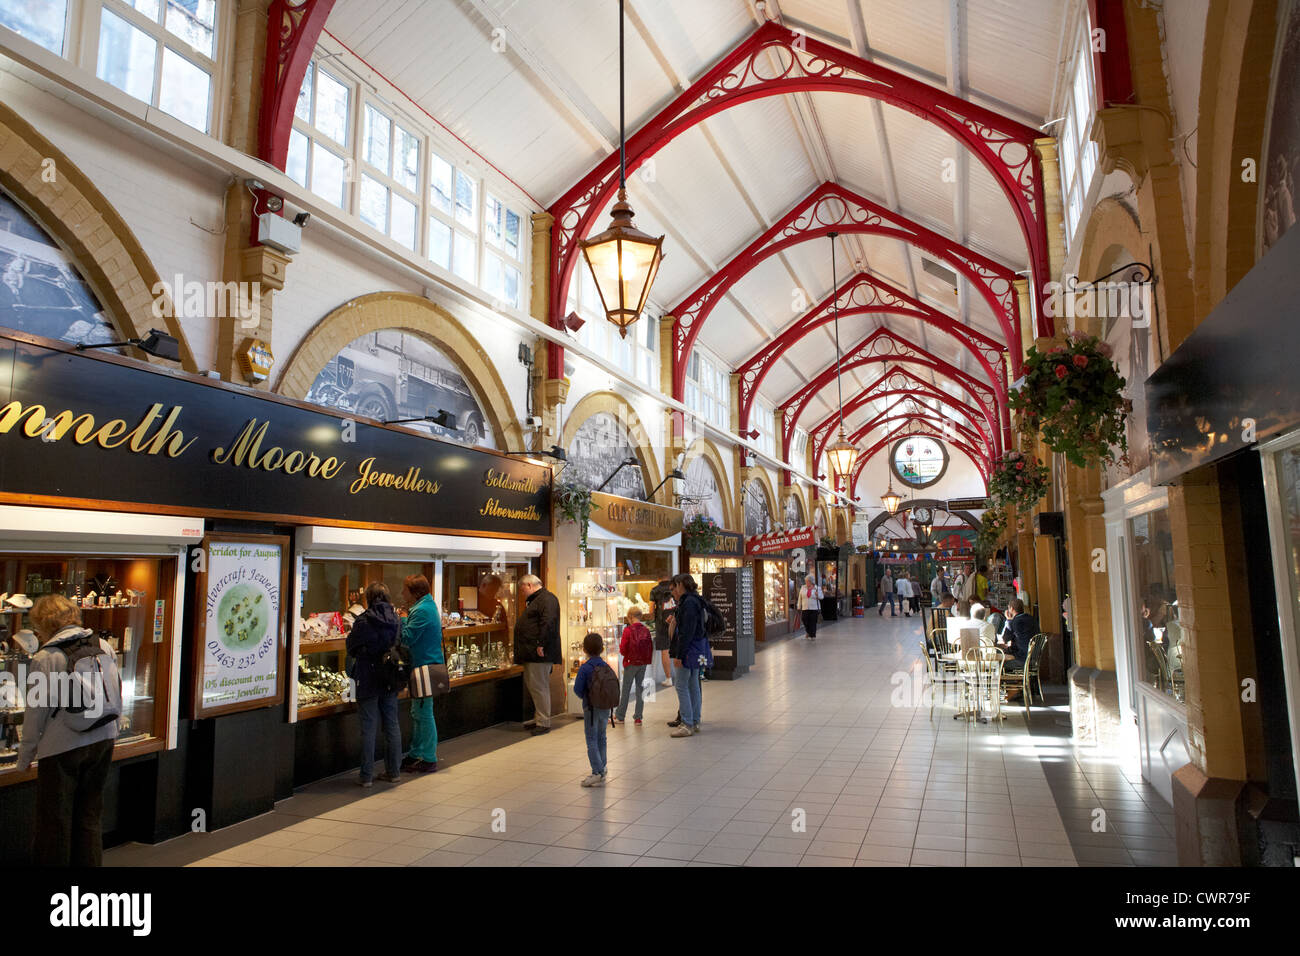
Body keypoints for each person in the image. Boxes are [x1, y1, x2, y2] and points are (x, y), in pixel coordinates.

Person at [18, 595, 119, 866]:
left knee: (55, 822)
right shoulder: (103, 646)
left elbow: (35, 713)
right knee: (89, 815)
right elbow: (114, 691)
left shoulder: (47, 656)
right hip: (103, 739)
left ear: (44, 623)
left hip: (62, 747)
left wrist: (26, 755)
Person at [347, 582, 403, 787]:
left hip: (367, 678)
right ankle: (394, 771)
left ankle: (366, 776)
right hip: (389, 678)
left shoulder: (363, 621)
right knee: (392, 725)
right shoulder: (396, 619)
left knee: (368, 728)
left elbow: (351, 648)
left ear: (368, 598)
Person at [400, 575, 443, 772]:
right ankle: (416, 752)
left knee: (424, 713)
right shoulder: (427, 606)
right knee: (417, 712)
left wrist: (400, 619)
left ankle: (428, 757)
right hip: (423, 667)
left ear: (415, 592)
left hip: (425, 667)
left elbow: (407, 637)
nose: (402, 593)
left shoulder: (422, 610)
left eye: (405, 590)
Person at [514, 573, 562, 735]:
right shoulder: (539, 600)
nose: (522, 594)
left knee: (539, 686)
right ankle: (538, 718)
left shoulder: (546, 599)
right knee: (535, 686)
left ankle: (543, 721)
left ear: (529, 585)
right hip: (533, 652)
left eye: (522, 590)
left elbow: (548, 622)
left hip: (539, 653)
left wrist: (541, 644)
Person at [667, 573, 710, 737]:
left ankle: (687, 723)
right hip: (696, 649)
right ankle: (695, 720)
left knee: (681, 685)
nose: (673, 592)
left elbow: (686, 632)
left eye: (674, 588)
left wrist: (679, 654)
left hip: (688, 650)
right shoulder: (695, 600)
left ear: (680, 585)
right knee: (693, 684)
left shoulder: (688, 603)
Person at [573, 632, 613, 787]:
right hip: (604, 707)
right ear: (602, 648)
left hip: (590, 708)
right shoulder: (606, 666)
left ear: (585, 650)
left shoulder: (585, 668)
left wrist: (585, 696)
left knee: (591, 739)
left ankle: (596, 772)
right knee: (602, 737)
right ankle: (602, 767)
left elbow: (577, 689)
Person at [616, 606, 653, 725]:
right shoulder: (646, 630)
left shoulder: (628, 630)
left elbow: (622, 649)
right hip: (642, 663)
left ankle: (620, 716)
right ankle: (638, 718)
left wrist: (626, 656)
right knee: (640, 689)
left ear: (631, 617)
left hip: (630, 663)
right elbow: (650, 647)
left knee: (626, 689)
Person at [999, 598, 1039, 684]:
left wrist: (1009, 620)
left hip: (1022, 659)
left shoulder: (1015, 622)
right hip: (1033, 658)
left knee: (998, 664)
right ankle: (1020, 686)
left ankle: (1011, 689)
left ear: (1012, 609)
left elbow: (1005, 639)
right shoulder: (1031, 619)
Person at [650, 578, 674, 687]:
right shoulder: (675, 588)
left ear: (658, 578)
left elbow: (651, 610)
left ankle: (668, 678)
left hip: (661, 624)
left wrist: (651, 619)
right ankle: (682, 673)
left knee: (665, 650)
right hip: (674, 621)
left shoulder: (655, 590)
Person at [798, 573, 823, 640]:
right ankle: (808, 632)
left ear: (811, 581)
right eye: (805, 581)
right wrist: (799, 606)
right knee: (804, 620)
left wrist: (817, 595)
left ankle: (813, 635)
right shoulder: (803, 587)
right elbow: (800, 597)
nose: (806, 583)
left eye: (807, 581)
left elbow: (822, 597)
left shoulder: (817, 588)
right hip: (805, 607)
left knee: (812, 622)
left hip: (814, 608)